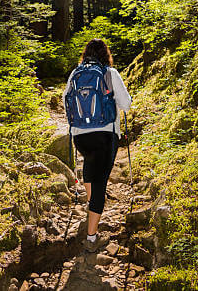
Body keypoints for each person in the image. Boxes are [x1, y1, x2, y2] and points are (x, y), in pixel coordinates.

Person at [62, 38, 131, 252]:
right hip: (105, 134)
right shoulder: (109, 73)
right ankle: (91, 238)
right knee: (100, 181)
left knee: (90, 168)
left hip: (81, 136)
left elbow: (66, 100)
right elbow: (126, 104)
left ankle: (92, 208)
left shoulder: (76, 74)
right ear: (105, 54)